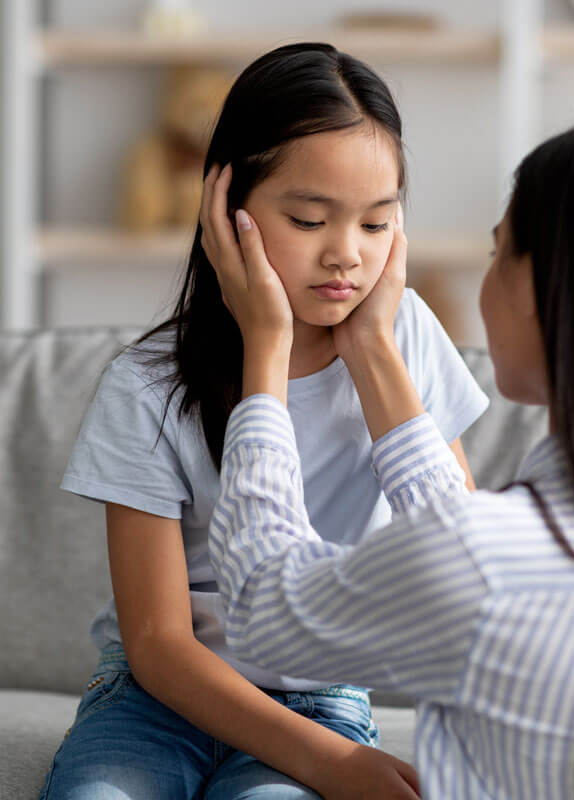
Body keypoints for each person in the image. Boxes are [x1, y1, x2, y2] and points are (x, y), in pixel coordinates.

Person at [206, 115, 574, 799]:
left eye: (499, 254)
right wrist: (371, 348)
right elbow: (464, 557)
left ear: (545, 289)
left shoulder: (485, 560)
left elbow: (260, 609)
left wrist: (265, 351)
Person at [40, 43, 488, 800]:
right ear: (227, 206)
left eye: (378, 225)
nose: (346, 254)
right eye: (311, 218)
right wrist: (268, 348)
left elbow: (462, 558)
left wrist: (374, 349)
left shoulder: (405, 339)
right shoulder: (145, 386)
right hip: (157, 701)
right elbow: (156, 644)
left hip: (320, 694)